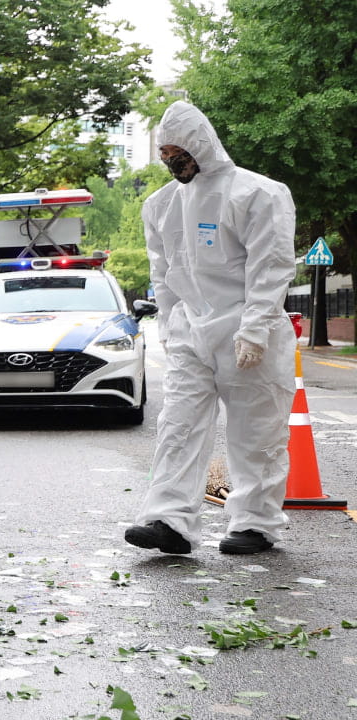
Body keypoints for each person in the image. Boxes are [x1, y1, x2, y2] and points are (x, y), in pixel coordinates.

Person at [123, 101, 296, 557]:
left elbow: (271, 266)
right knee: (177, 425)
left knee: (256, 433)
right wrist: (169, 324)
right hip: (191, 333)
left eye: (179, 152)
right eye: (165, 154)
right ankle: (169, 520)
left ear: (201, 144)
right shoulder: (160, 205)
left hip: (246, 329)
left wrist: (256, 328)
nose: (172, 162)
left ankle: (255, 524)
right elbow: (164, 273)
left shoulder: (259, 193)